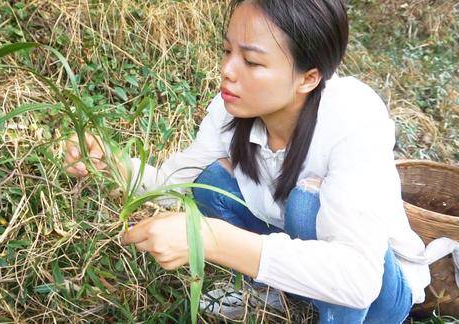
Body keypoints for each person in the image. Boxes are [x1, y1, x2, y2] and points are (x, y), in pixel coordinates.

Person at [64, 0, 431, 322]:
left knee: (307, 204)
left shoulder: (353, 116)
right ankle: (276, 293)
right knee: (210, 181)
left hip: (377, 297)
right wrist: (115, 167)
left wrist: (212, 240)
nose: (227, 70)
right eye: (227, 51)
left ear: (309, 77)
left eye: (252, 61)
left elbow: (358, 280)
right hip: (305, 264)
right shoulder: (229, 111)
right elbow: (176, 183)